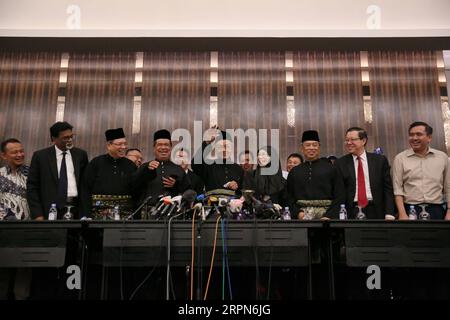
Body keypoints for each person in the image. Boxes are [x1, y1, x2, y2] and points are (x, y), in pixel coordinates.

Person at [27, 122, 88, 220]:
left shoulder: (81, 155)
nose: (70, 140)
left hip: (76, 209)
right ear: (53, 139)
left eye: (71, 136)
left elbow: (85, 184)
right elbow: (32, 187)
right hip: (50, 210)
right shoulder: (40, 156)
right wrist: (37, 214)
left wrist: (85, 212)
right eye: (65, 138)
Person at [392, 121, 450, 220]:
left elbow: (448, 187)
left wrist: (449, 211)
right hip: (410, 209)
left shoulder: (442, 157)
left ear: (429, 137)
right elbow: (398, 189)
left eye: (419, 134)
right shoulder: (400, 158)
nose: (414, 138)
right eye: (411, 135)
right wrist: (402, 214)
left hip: (437, 209)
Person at [336, 127, 395, 220]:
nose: (349, 143)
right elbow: (339, 192)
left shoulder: (379, 160)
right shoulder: (340, 163)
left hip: (376, 209)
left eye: (353, 140)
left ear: (363, 141)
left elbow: (387, 188)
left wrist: (390, 213)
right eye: (347, 140)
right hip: (351, 210)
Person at [80, 128, 137, 219]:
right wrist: (86, 214)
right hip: (97, 216)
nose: (123, 147)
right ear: (109, 145)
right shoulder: (96, 163)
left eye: (125, 144)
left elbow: (136, 191)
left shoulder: (130, 165)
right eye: (119, 144)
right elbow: (85, 189)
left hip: (125, 216)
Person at [287, 130, 344, 219]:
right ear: (302, 148)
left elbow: (340, 195)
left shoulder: (332, 169)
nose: (311, 148)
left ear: (319, 147)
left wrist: (329, 215)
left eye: (314, 145)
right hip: (301, 218)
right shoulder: (294, 171)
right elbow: (288, 196)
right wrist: (298, 213)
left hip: (327, 218)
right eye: (308, 145)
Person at [0, 138, 32, 300]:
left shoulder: (32, 174)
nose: (20, 154)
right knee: (3, 272)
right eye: (14, 152)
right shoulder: (0, 175)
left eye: (21, 151)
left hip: (27, 231)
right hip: (4, 232)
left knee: (24, 272)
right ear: (4, 155)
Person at [134, 129, 190, 208]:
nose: (163, 147)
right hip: (147, 212)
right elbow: (133, 187)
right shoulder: (145, 166)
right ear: (154, 148)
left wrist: (175, 185)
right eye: (159, 145)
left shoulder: (178, 169)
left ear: (171, 148)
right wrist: (146, 171)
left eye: (166, 145)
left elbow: (188, 192)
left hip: (171, 213)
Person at [192, 127, 243, 197]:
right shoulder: (208, 166)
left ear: (231, 148)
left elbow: (242, 193)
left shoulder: (238, 169)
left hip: (232, 206)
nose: (224, 150)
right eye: (221, 146)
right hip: (212, 205)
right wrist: (206, 143)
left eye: (227, 146)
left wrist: (236, 187)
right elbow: (195, 164)